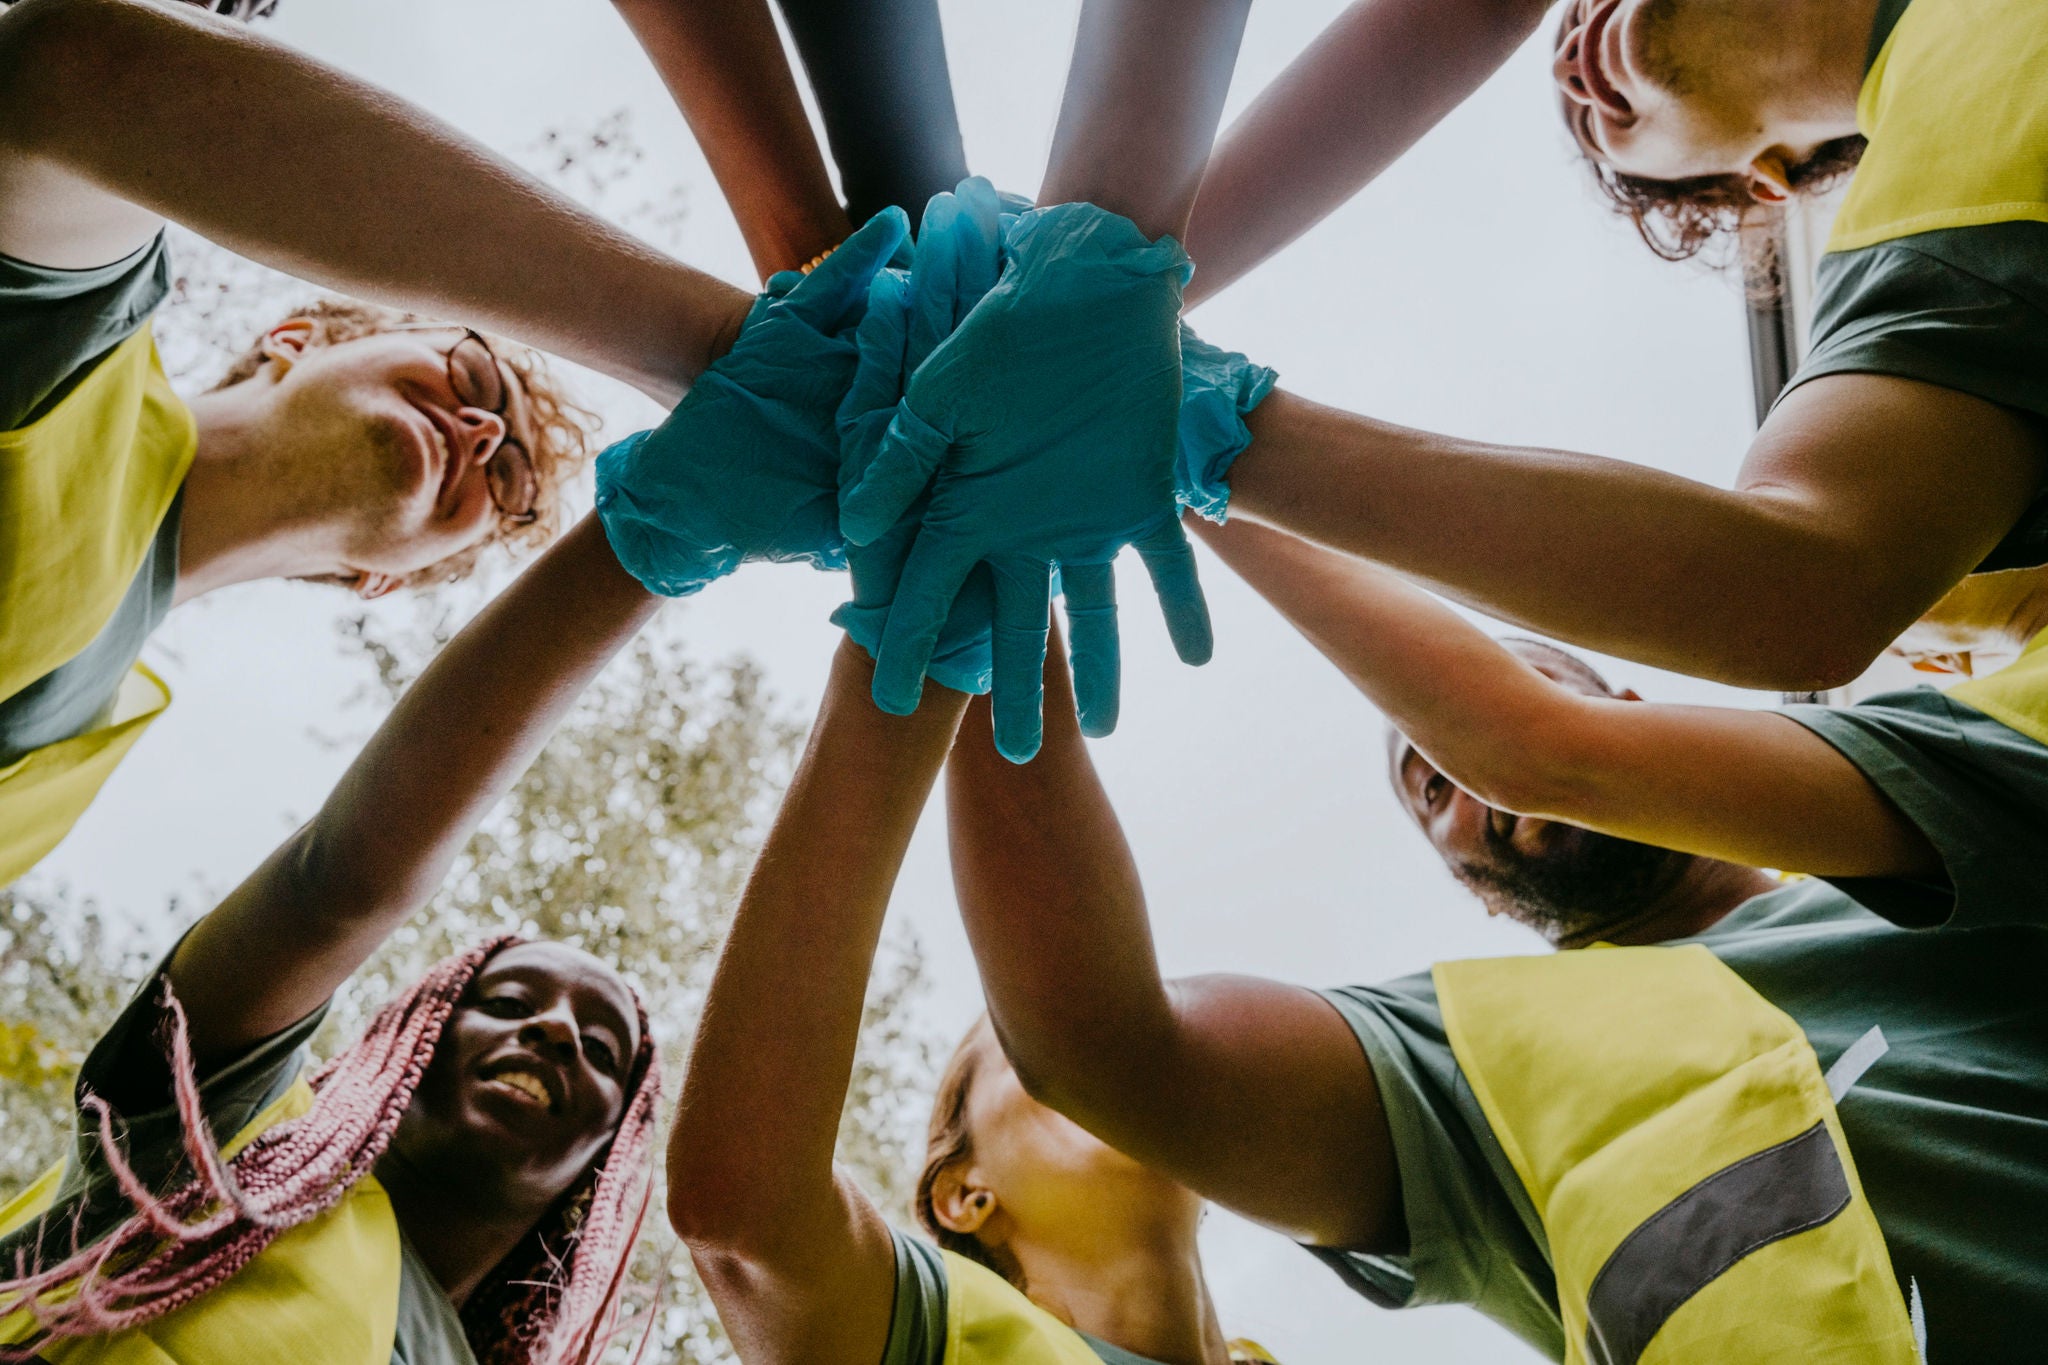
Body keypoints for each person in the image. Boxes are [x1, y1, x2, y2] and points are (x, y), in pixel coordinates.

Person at [938, 576, 2048, 1358]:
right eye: (1431, 787)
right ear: (1466, 882)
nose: (1476, 765)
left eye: (1482, 701)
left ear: (1627, 712)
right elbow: (1101, 1046)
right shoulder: (1481, 1072)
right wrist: (996, 591)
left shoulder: (1931, 815)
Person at [0, 0, 797, 885]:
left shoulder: (85, 754)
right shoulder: (80, 337)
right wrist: (721, 357)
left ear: (388, 579)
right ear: (296, 338)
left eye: (508, 480)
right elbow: (72, 69)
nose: (487, 431)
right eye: (474, 375)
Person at [0, 510, 666, 1365]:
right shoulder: (230, 1135)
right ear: (407, 1044)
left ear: (601, 1165)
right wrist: (654, 531)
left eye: (605, 1050)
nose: (556, 1031)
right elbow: (339, 882)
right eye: (504, 1000)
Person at [664, 636, 1277, 1365]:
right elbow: (744, 1214)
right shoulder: (956, 1341)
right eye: (1025, 1048)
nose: (1091, 1039)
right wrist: (909, 655)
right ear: (967, 1196)